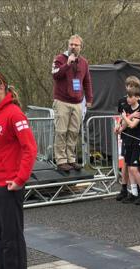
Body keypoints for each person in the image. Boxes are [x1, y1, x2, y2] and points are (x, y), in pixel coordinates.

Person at [0, 70, 38, 269]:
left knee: (12, 239)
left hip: (8, 186)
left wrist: (20, 179)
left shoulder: (14, 114)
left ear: (1, 88)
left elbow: (30, 148)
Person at [51, 34, 93, 172]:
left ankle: (71, 159)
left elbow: (86, 81)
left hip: (77, 102)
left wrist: (89, 99)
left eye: (76, 45)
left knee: (74, 132)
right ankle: (61, 160)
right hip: (62, 101)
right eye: (71, 44)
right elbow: (55, 74)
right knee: (61, 131)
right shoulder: (59, 59)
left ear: (81, 47)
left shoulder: (84, 62)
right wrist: (67, 64)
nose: (73, 47)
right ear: (68, 45)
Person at [116, 87, 140, 205]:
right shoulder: (126, 108)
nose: (128, 99)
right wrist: (125, 120)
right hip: (127, 141)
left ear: (137, 97)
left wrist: (125, 117)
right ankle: (134, 192)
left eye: (130, 97)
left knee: (134, 169)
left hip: (137, 141)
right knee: (129, 167)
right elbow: (123, 126)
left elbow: (132, 125)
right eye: (127, 96)